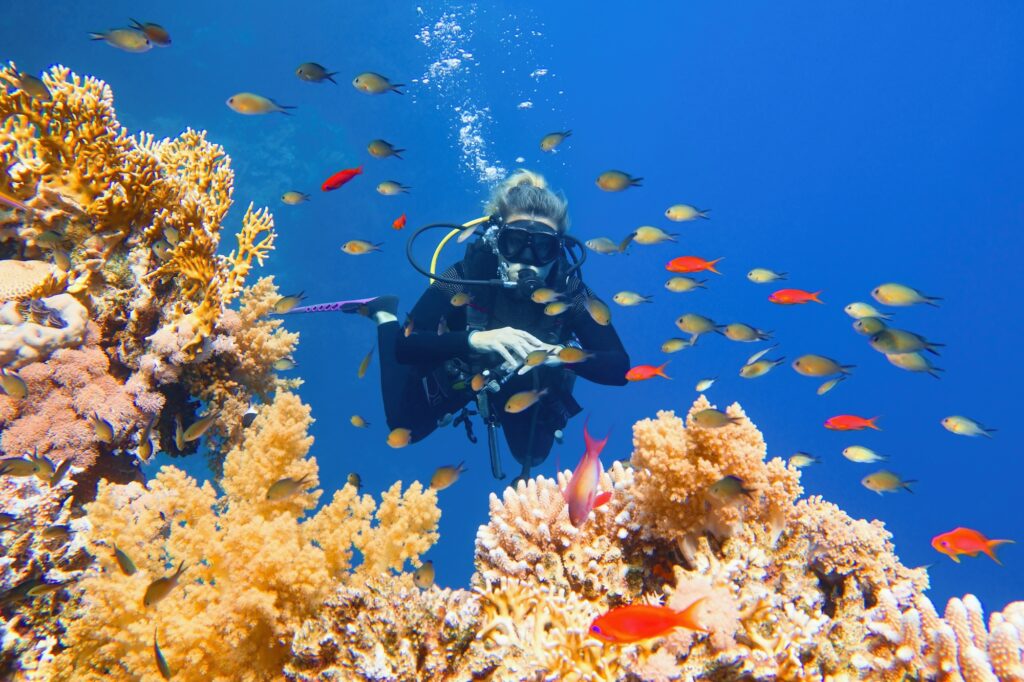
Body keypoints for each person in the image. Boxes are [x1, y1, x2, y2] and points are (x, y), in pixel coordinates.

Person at [353, 170, 630, 484]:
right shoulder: (464, 275)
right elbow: (405, 347)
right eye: (515, 243)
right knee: (404, 425)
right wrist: (474, 340)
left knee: (534, 453)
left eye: (542, 248)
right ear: (497, 242)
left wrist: (561, 355)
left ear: (558, 252)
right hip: (464, 368)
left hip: (528, 381)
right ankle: (384, 314)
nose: (528, 261)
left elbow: (620, 368)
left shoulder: (571, 291)